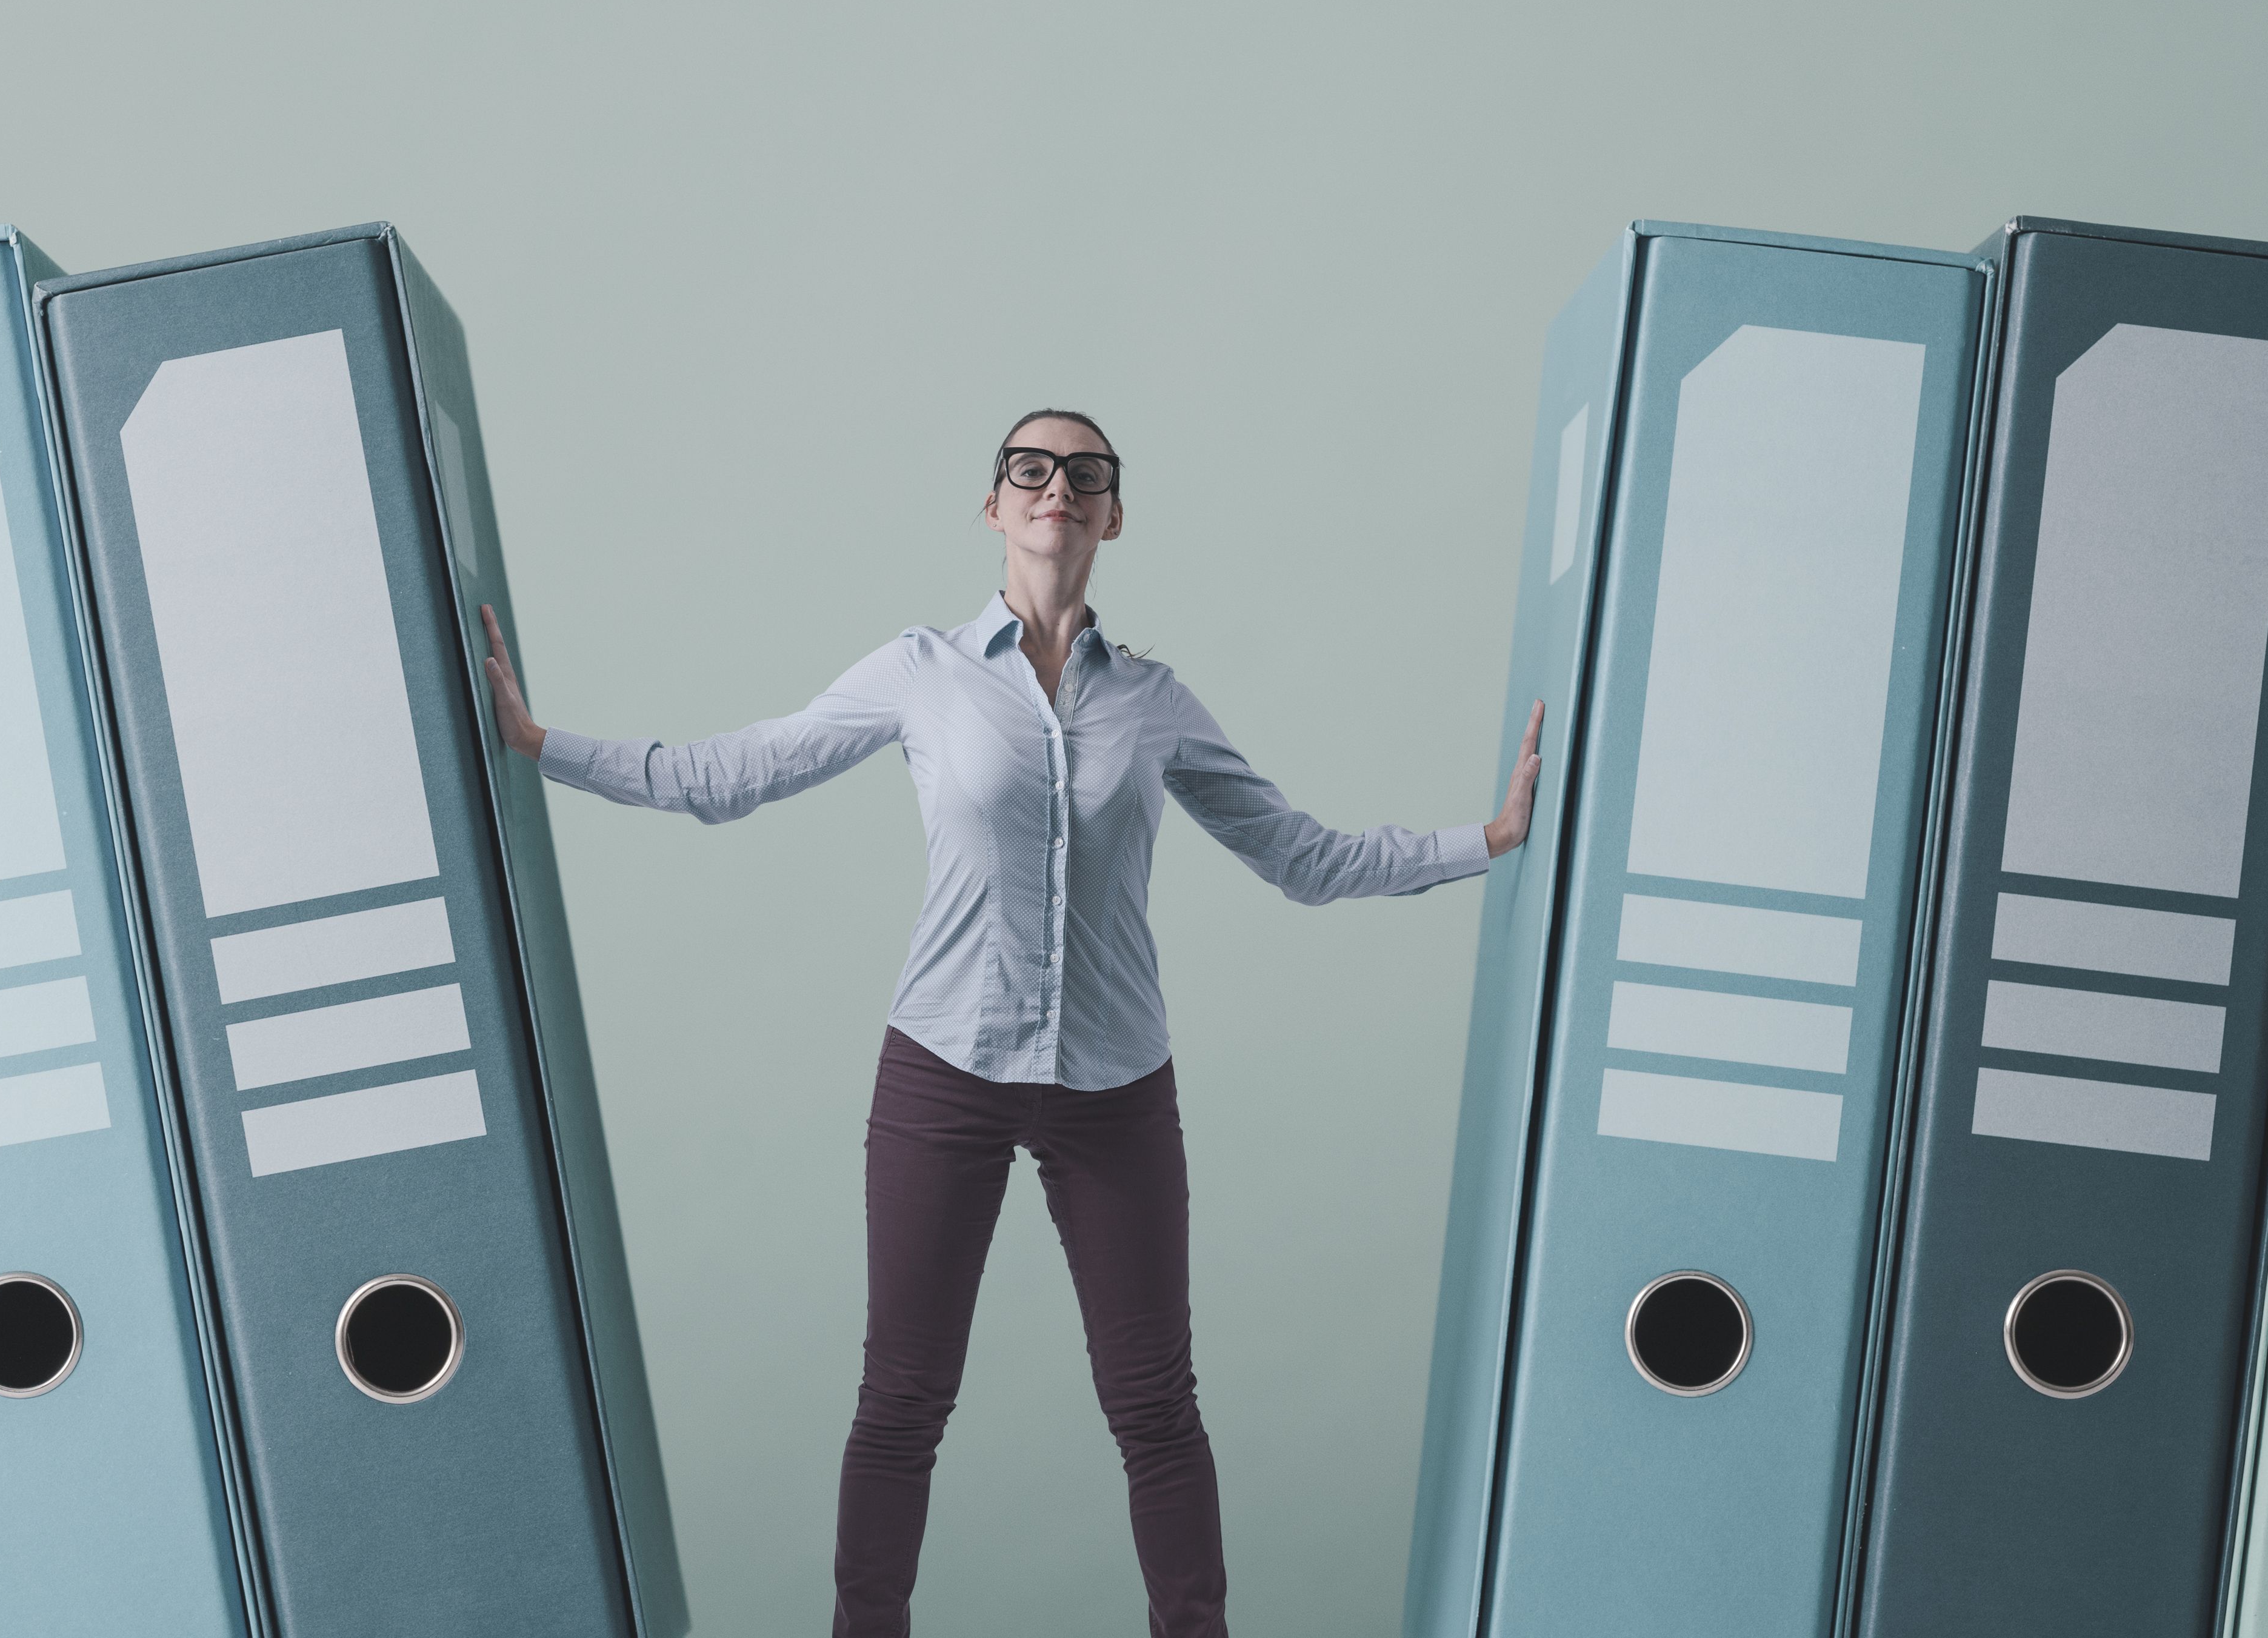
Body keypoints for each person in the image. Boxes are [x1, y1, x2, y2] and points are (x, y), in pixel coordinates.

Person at [482, 406, 1539, 1638]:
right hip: (945, 1068)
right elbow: (734, 773)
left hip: (1115, 1083)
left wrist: (1488, 838)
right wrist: (539, 742)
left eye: (1084, 472)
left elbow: (1300, 856)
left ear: (1112, 514)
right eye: (1028, 468)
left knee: (1155, 1405)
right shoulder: (920, 672)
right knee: (901, 1400)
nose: (1055, 486)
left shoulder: (1154, 703)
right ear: (993, 506)